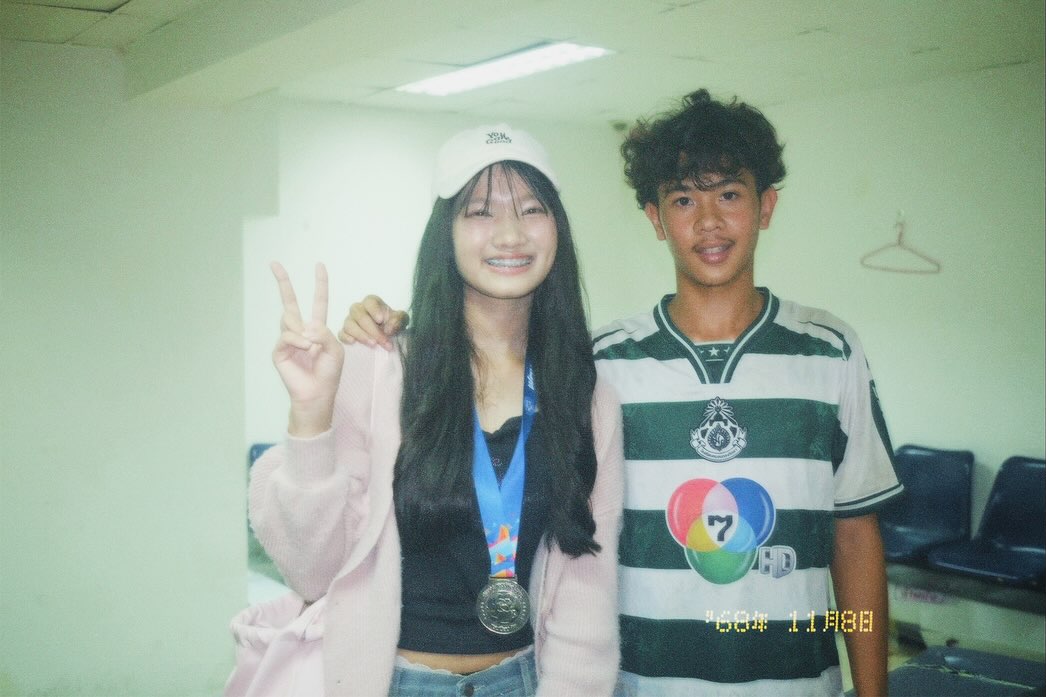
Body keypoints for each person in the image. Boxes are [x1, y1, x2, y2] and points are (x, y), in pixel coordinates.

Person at [341, 90, 903, 697]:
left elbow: (855, 539)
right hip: (637, 684)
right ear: (655, 218)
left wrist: (872, 691)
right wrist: (401, 328)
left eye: (729, 195)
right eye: (683, 199)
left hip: (796, 684)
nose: (708, 222)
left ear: (766, 206)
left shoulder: (830, 352)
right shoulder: (597, 366)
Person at [248, 124, 624, 697]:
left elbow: (586, 588)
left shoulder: (586, 393)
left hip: (525, 681)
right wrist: (310, 414)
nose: (509, 234)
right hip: (393, 682)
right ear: (444, 233)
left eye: (531, 209)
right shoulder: (379, 370)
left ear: (558, 229)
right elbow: (312, 571)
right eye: (480, 212)